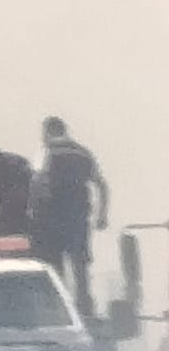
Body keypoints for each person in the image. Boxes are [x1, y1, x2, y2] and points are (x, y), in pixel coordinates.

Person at [31, 116, 109, 317]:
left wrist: (32, 212)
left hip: (52, 219)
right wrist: (102, 215)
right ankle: (85, 310)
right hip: (78, 219)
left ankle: (60, 311)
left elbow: (36, 183)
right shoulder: (83, 153)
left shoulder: (47, 153)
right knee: (80, 266)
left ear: (48, 132)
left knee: (56, 267)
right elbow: (101, 185)